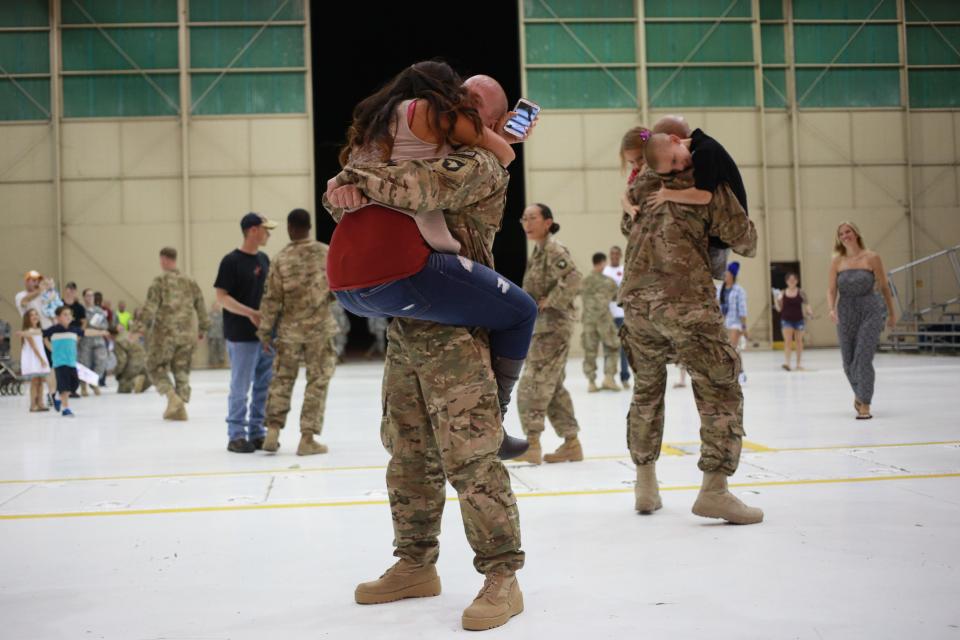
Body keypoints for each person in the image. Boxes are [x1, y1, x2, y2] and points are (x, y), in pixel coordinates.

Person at [325, 98, 526, 633]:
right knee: (407, 451)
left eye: (474, 104)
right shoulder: (403, 160)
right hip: (407, 324)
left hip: (457, 331)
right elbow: (360, 197)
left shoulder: (479, 164)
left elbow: (419, 187)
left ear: (489, 121)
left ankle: (503, 575)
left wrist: (358, 179)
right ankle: (416, 563)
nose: (455, 110)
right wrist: (340, 190)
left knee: (471, 454)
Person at [325, 62, 535, 460]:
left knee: (419, 450)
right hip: (413, 279)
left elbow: (406, 187)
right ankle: (497, 417)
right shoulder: (435, 128)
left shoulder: (398, 134)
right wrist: (347, 185)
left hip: (376, 283)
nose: (462, 111)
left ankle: (494, 421)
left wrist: (349, 181)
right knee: (521, 312)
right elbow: (420, 188)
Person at [620, 119, 763, 525]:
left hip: (637, 305)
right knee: (718, 389)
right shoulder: (704, 183)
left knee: (646, 391)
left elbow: (627, 223)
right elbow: (744, 240)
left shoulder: (642, 186)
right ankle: (714, 491)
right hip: (686, 304)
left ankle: (645, 485)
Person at [257, 209, 337, 456]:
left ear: (290, 228)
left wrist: (265, 332)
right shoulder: (325, 253)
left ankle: (272, 431)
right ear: (310, 227)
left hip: (289, 330)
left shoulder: (280, 259)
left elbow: (271, 300)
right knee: (317, 381)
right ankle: (307, 438)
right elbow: (337, 288)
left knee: (282, 379)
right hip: (319, 329)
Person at [514, 203, 584, 465]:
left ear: (547, 222)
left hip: (553, 327)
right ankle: (571, 442)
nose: (527, 223)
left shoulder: (554, 249)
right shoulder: (540, 251)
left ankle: (532, 443)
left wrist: (550, 300)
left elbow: (574, 277)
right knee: (552, 386)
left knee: (532, 383)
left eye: (532, 218)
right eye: (524, 219)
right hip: (543, 328)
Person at [215, 213, 276, 453]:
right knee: (240, 388)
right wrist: (250, 313)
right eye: (265, 229)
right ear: (252, 230)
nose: (268, 234)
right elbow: (222, 298)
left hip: (265, 337)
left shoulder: (264, 259)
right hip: (241, 337)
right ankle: (236, 434)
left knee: (263, 387)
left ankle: (257, 431)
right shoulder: (231, 261)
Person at [827, 222, 896, 420]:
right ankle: (859, 392)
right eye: (841, 233)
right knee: (848, 361)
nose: (845, 235)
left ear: (856, 233)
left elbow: (884, 287)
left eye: (848, 231)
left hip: (870, 309)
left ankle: (865, 402)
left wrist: (891, 313)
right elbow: (831, 289)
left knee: (863, 358)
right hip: (846, 310)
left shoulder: (872, 257)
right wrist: (831, 308)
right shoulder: (837, 262)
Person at [141, 247, 209, 420]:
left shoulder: (159, 281)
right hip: (187, 335)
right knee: (181, 371)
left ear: (163, 259)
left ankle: (172, 397)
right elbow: (201, 305)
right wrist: (203, 328)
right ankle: (180, 410)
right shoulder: (190, 281)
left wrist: (138, 329)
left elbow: (150, 308)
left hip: (165, 335)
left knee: (153, 366)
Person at [42, 306, 109, 417]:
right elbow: (41, 334)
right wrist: (51, 348)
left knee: (73, 385)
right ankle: (66, 409)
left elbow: (87, 332)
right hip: (60, 363)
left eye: (69, 314)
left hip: (71, 362)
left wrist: (101, 332)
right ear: (58, 317)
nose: (68, 316)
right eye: (65, 314)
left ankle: (56, 397)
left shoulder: (74, 330)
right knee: (65, 388)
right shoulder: (53, 330)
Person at [580, 252, 620, 392]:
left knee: (590, 351)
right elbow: (617, 299)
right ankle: (609, 378)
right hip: (604, 321)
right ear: (603, 262)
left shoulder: (584, 282)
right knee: (612, 348)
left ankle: (591, 382)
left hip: (589, 321)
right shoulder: (609, 282)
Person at [602, 246, 629, 389]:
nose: (614, 256)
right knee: (608, 347)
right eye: (612, 254)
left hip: (622, 315)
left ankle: (624, 377)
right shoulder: (605, 271)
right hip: (607, 316)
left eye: (617, 254)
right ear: (609, 255)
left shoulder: (624, 270)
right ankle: (608, 377)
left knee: (624, 348)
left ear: (621, 255)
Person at [775, 272, 813, 371]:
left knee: (799, 342)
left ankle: (799, 364)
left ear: (797, 281)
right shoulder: (782, 293)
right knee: (788, 341)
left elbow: (807, 304)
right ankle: (787, 363)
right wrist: (777, 300)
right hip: (786, 320)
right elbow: (779, 309)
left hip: (799, 320)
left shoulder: (801, 292)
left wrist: (809, 312)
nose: (792, 281)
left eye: (794, 280)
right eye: (790, 280)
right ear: (786, 281)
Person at [718, 262, 749, 383]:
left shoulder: (739, 291)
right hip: (722, 323)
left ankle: (739, 372)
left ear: (732, 275)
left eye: (728, 273)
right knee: (725, 350)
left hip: (735, 323)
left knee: (733, 348)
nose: (725, 275)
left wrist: (744, 327)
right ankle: (733, 372)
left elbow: (742, 310)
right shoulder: (719, 289)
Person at [18, 309, 51, 412]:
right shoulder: (27, 331)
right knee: (35, 381)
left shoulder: (40, 330)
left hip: (41, 356)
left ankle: (40, 403)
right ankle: (33, 404)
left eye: (36, 314)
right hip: (33, 358)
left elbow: (46, 343)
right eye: (32, 315)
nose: (35, 316)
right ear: (27, 319)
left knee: (41, 382)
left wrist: (55, 352)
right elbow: (33, 347)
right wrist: (41, 359)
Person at [78, 288, 108, 395]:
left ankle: (93, 382)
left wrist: (95, 325)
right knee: (84, 363)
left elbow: (105, 325)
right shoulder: (81, 310)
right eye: (88, 295)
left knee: (102, 361)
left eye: (92, 295)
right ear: (84, 297)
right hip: (85, 341)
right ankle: (83, 386)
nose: (90, 298)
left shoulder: (99, 311)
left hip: (98, 340)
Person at [113, 323, 150, 394]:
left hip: (134, 364)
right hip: (146, 362)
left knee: (123, 390)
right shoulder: (131, 334)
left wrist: (117, 373)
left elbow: (122, 360)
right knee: (147, 379)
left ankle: (134, 381)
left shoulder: (118, 341)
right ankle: (138, 383)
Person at [207, 302, 226, 368]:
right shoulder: (209, 316)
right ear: (212, 307)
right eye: (215, 306)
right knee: (212, 350)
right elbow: (206, 326)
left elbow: (224, 326)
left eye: (217, 306)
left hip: (220, 335)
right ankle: (211, 364)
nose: (216, 308)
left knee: (221, 350)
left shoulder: (222, 316)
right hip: (211, 335)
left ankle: (221, 364)